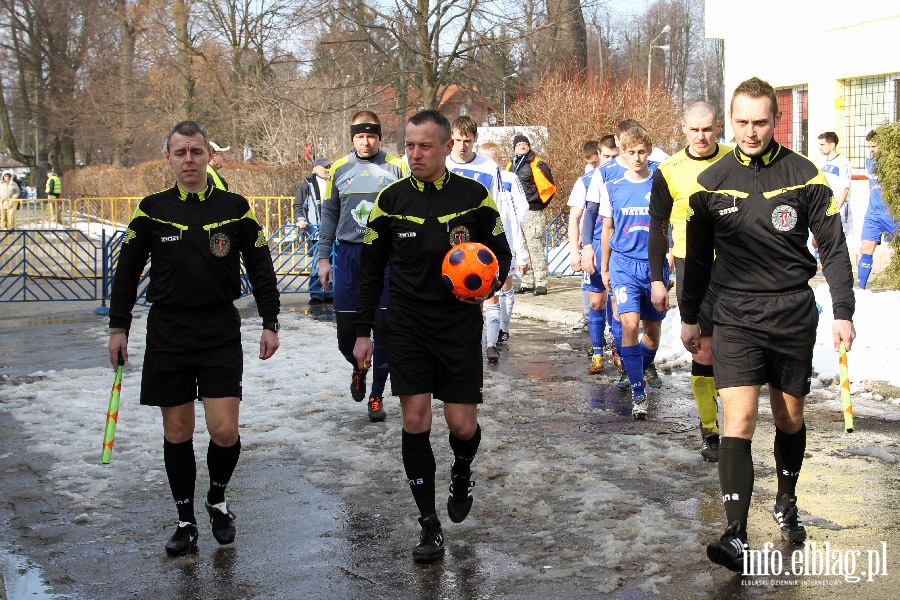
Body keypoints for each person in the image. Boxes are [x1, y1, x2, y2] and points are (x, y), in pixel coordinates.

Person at [679, 77, 855, 572]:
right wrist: (692, 317)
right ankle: (735, 532)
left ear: (775, 120)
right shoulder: (710, 183)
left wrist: (843, 310)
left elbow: (834, 248)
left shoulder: (805, 176)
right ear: (729, 121)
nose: (750, 132)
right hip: (735, 315)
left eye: (759, 122)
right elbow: (698, 261)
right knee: (738, 419)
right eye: (741, 122)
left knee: (788, 418)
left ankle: (786, 498)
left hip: (791, 313)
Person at [107, 120, 281, 557]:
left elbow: (261, 267)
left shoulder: (236, 208)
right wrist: (118, 327)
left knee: (224, 432)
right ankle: (185, 521)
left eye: (196, 152)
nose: (189, 160)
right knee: (178, 431)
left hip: (219, 329)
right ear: (169, 157)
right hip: (169, 332)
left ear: (209, 156)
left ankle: (217, 499)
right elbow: (126, 271)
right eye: (180, 152)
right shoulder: (150, 210)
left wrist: (270, 320)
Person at [353, 109, 511, 563]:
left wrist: (485, 289)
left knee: (461, 425)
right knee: (416, 420)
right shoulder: (390, 200)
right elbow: (370, 270)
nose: (415, 154)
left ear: (446, 147)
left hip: (458, 326)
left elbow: (501, 255)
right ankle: (428, 524)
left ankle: (462, 471)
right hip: (406, 325)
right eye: (409, 145)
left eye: (425, 146)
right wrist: (363, 330)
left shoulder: (474, 197)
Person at [648, 101, 732, 461]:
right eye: (694, 129)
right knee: (705, 348)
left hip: (738, 264)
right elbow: (657, 227)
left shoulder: (735, 160)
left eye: (708, 129)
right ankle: (711, 428)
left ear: (718, 127)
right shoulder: (669, 170)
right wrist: (657, 279)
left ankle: (740, 422)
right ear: (682, 127)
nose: (701, 136)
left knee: (739, 348)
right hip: (693, 267)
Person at [317, 110, 407, 422]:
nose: (366, 142)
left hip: (384, 258)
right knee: (346, 335)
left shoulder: (396, 166)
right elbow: (328, 215)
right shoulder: (339, 169)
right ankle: (359, 368)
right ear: (352, 137)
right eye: (359, 136)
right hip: (349, 256)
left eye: (371, 136)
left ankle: (376, 396)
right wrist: (323, 258)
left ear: (380, 137)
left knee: (382, 331)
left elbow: (406, 211)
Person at [583, 122, 663, 389]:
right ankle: (632, 379)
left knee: (651, 331)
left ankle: (638, 366)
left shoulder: (661, 179)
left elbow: (668, 220)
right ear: (623, 152)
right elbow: (595, 217)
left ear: (649, 151)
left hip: (653, 263)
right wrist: (590, 251)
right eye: (631, 152)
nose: (637, 157)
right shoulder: (606, 178)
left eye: (642, 152)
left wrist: (672, 249)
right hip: (622, 261)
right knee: (624, 319)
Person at [445, 116, 519, 363]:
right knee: (454, 294)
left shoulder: (488, 167)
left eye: (467, 141)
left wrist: (500, 242)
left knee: (485, 291)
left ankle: (490, 344)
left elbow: (499, 206)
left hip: (480, 241)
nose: (462, 146)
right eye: (457, 140)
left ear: (475, 139)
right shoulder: (443, 163)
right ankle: (458, 343)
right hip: (450, 239)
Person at [474, 141, 529, 350]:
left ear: (499, 159)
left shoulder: (510, 179)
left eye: (492, 158)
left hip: (505, 237)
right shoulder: (476, 176)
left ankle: (503, 329)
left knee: (504, 283)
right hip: (481, 241)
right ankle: (485, 337)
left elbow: (520, 209)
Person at [569, 136, 618, 371]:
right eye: (606, 156)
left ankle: (621, 352)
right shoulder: (587, 180)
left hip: (620, 246)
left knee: (619, 305)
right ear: (598, 154)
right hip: (597, 246)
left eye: (614, 156)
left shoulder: (627, 177)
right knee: (597, 303)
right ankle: (597, 353)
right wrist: (575, 252)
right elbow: (575, 217)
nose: (610, 161)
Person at [506, 133, 555, 296]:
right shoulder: (510, 165)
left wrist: (538, 205)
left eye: (525, 143)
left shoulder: (537, 163)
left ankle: (541, 283)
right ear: (514, 147)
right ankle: (527, 281)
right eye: (519, 144)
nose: (522, 146)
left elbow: (549, 188)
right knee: (522, 248)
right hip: (515, 213)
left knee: (536, 248)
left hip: (533, 212)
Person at [857, 129, 897, 289]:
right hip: (873, 213)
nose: (871, 150)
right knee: (866, 248)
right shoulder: (869, 162)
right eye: (869, 147)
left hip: (891, 213)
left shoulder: (893, 164)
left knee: (897, 250)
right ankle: (860, 288)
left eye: (874, 146)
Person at [293, 156, 333, 304]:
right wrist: (300, 219)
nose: (327, 170)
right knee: (318, 263)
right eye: (324, 167)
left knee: (332, 263)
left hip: (333, 232)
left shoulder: (333, 182)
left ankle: (330, 292)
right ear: (315, 168)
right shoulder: (308, 184)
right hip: (316, 232)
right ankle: (316, 293)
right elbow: (298, 205)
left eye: (329, 167)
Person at [817, 131, 852, 242]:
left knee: (837, 241)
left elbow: (845, 188)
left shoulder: (843, 162)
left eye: (822, 144)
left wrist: (836, 209)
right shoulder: (822, 163)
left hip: (838, 210)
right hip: (824, 208)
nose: (820, 147)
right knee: (818, 241)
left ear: (832, 145)